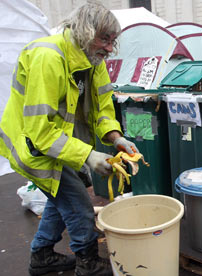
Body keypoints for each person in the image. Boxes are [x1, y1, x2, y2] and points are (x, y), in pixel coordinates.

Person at [0, 2, 139, 276]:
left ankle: (41, 256)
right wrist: (87, 155)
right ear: (84, 32)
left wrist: (115, 138)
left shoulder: (93, 60)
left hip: (62, 147)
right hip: (34, 147)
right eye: (104, 38)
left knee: (58, 200)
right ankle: (88, 263)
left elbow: (102, 110)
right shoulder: (48, 57)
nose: (110, 48)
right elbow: (40, 132)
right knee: (78, 206)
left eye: (113, 41)